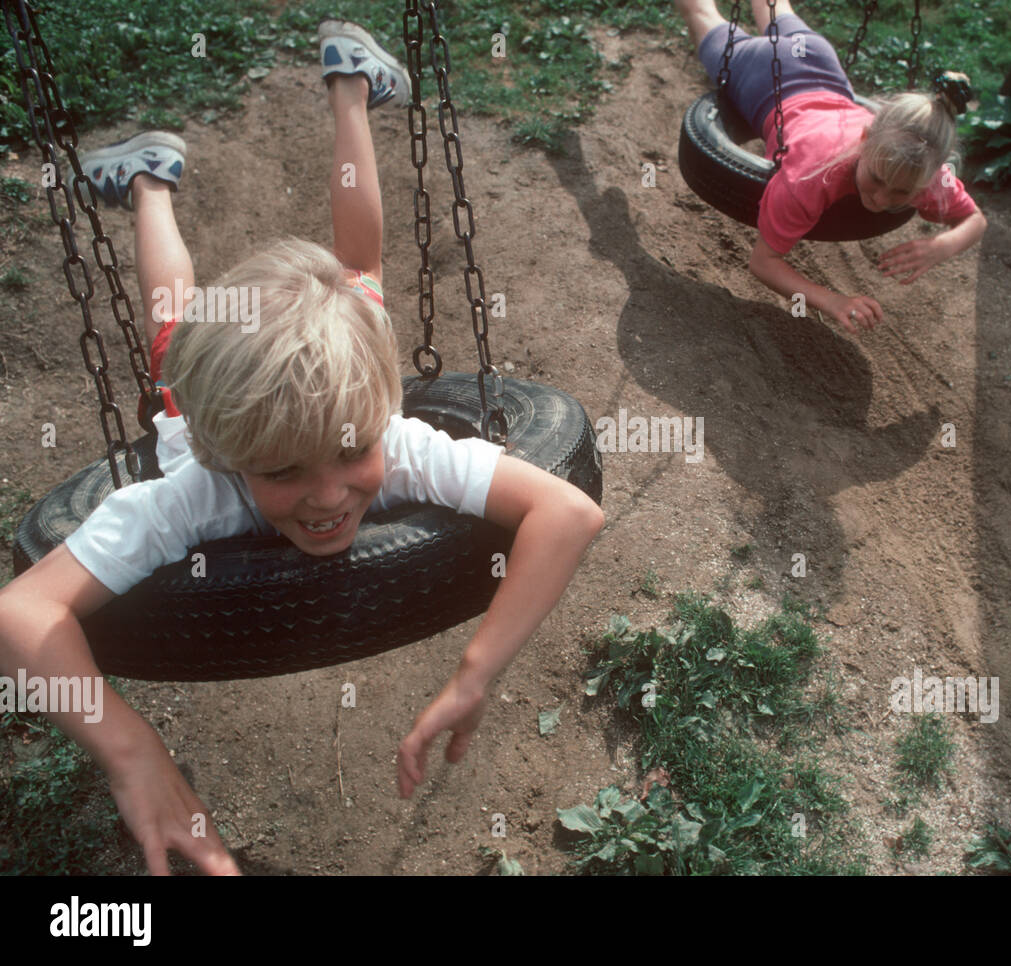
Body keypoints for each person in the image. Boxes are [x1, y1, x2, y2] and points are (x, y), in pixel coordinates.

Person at [0, 20, 604, 876]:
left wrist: (475, 672)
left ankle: (350, 87)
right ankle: (146, 183)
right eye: (281, 474)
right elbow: (19, 614)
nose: (326, 498)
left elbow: (569, 512)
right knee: (176, 328)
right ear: (227, 457)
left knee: (360, 275)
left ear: (382, 413)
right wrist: (133, 751)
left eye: (348, 457)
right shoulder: (195, 486)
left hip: (337, 350)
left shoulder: (391, 439)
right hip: (200, 387)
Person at [674, 0, 988, 334]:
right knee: (702, 15)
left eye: (901, 192)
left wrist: (941, 247)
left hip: (815, 55)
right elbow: (763, 262)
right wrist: (832, 300)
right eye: (877, 179)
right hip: (763, 75)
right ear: (865, 139)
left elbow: (975, 220)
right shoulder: (808, 177)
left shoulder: (925, 169)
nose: (882, 199)